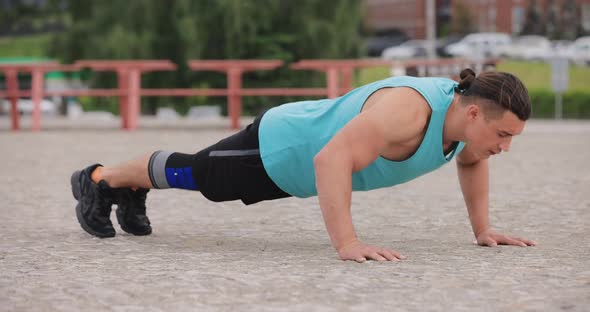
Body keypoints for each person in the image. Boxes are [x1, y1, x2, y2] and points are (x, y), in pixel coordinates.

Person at [71, 68, 537, 262]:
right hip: (282, 145)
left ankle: (128, 189)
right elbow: (331, 157)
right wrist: (347, 243)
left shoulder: (466, 126)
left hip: (300, 175)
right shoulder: (408, 111)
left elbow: (473, 162)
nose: (505, 148)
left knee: (199, 176)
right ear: (475, 112)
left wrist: (483, 229)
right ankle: (100, 179)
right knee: (198, 175)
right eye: (503, 136)